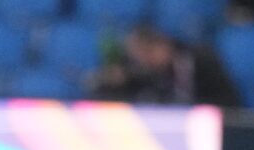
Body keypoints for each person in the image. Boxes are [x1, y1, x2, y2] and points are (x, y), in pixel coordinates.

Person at [94, 23, 241, 107]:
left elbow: (227, 102)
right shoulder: (139, 73)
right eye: (138, 57)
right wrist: (115, 84)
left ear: (163, 45)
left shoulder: (199, 61)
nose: (145, 61)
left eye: (148, 52)